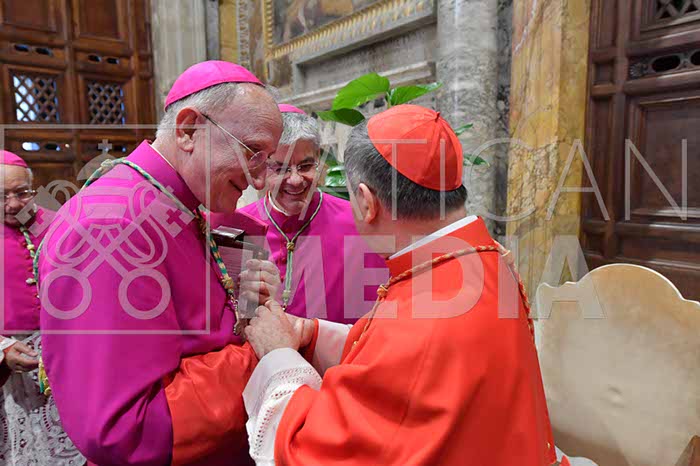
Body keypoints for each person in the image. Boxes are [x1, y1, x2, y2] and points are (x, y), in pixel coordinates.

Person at [242, 104, 559, 465]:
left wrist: (278, 355)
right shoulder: (484, 258)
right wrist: (311, 333)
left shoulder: (422, 320)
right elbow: (393, 357)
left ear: (366, 202)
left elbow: (310, 450)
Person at [38, 61, 283, 466]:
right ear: (188, 129)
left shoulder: (178, 203)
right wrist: (265, 352)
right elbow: (127, 430)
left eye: (266, 160)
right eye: (252, 153)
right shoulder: (111, 224)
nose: (259, 180)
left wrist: (247, 311)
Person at [237, 104, 387, 324]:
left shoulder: (360, 222)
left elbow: (381, 309)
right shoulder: (237, 227)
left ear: (318, 160)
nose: (295, 180)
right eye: (281, 169)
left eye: (305, 166)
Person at [0, 150, 84, 465]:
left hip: (64, 357)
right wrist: (3, 349)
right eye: (2, 196)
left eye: (22, 193)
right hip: (8, 367)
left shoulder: (56, 223)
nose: (13, 204)